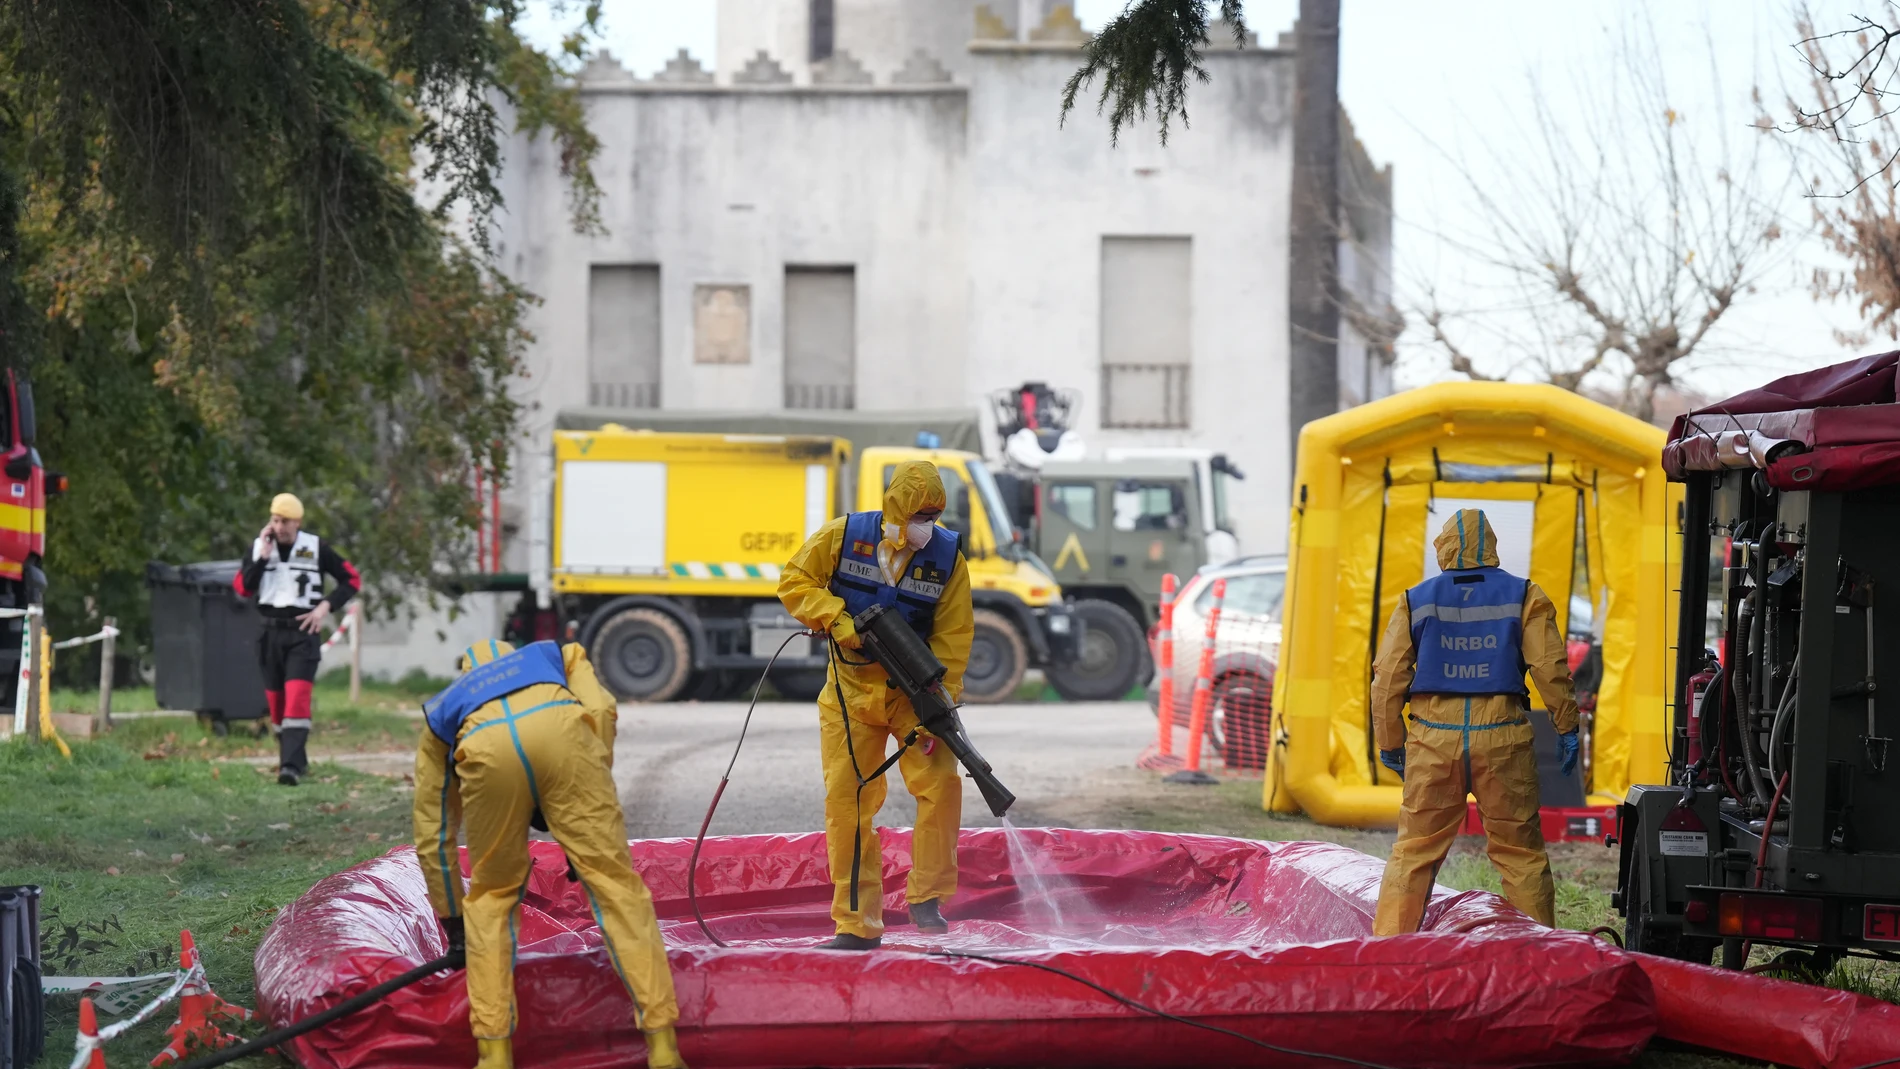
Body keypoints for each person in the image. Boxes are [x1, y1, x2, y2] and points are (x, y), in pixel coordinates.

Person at [413, 639, 685, 1069]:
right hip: (563, 738)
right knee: (615, 887)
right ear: (512, 651)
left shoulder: (442, 711)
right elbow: (598, 711)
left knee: (492, 900)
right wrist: (583, 809)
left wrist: (452, 919)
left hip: (484, 750)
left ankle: (494, 1055)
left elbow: (434, 830)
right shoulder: (556, 655)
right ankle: (664, 1048)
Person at [778, 460, 974, 950]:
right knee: (849, 803)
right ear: (897, 506)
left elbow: (953, 637)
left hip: (915, 695)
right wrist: (838, 622)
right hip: (850, 692)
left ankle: (926, 896)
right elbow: (795, 582)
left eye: (934, 515)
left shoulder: (948, 557)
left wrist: (941, 705)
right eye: (919, 514)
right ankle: (855, 924)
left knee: (942, 786)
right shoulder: (843, 537)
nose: (926, 525)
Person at [1369, 508, 1580, 934]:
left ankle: (1388, 957)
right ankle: (1540, 959)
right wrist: (1567, 725)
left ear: (1444, 547)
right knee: (1520, 853)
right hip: (1502, 736)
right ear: (1491, 546)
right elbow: (1550, 667)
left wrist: (1390, 740)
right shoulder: (1525, 595)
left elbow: (1388, 677)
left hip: (1433, 739)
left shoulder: (1416, 599)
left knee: (1414, 852)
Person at [233, 493, 359, 785]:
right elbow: (243, 589)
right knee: (277, 706)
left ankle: (288, 767)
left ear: (298, 522)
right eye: (275, 520)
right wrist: (261, 559)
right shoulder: (258, 548)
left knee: (297, 701)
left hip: (303, 634)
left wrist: (325, 607)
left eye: (286, 521)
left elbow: (351, 579)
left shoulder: (316, 547)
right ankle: (295, 760)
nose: (280, 526)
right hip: (269, 633)